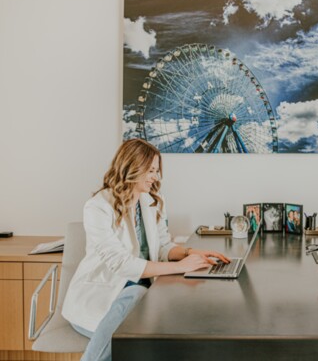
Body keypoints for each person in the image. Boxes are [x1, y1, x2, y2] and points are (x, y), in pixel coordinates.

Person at [62, 139, 229, 361]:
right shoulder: (98, 206)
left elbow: (162, 247)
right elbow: (121, 263)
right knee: (138, 299)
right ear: (132, 167)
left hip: (142, 297)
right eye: (151, 170)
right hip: (101, 302)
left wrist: (191, 253)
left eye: (157, 171)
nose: (155, 177)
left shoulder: (151, 202)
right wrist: (179, 267)